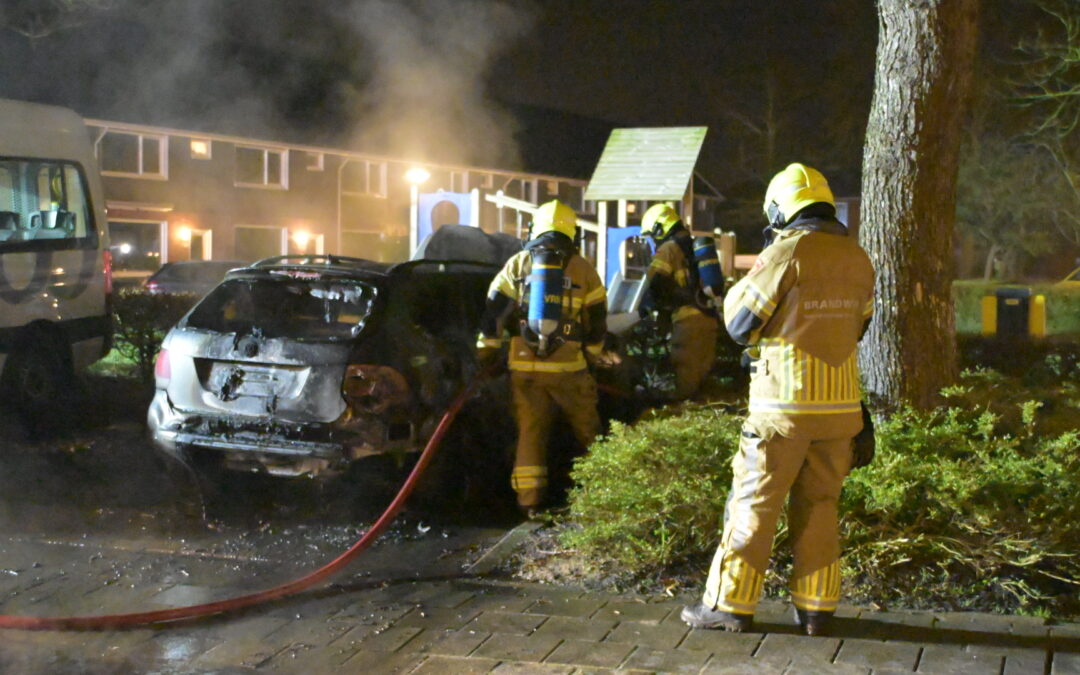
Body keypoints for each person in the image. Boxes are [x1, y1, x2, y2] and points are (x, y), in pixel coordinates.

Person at [680, 163, 875, 636]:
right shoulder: (858, 258)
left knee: (753, 505)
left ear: (781, 208)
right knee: (821, 507)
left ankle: (729, 605)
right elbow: (859, 328)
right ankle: (816, 610)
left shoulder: (787, 253)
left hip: (782, 410)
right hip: (840, 412)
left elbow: (739, 323)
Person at [476, 199, 611, 517]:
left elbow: (492, 311)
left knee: (530, 433)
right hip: (569, 369)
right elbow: (598, 321)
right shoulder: (583, 268)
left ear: (534, 229)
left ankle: (530, 503)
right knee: (588, 432)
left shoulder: (518, 263)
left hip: (524, 370)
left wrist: (486, 352)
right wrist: (591, 358)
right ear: (572, 232)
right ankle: (603, 499)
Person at [640, 203, 720, 400]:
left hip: (687, 323)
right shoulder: (694, 247)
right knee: (701, 383)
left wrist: (644, 310)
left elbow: (654, 284)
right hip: (709, 319)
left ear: (659, 229)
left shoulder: (668, 249)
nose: (653, 240)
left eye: (652, 235)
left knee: (684, 385)